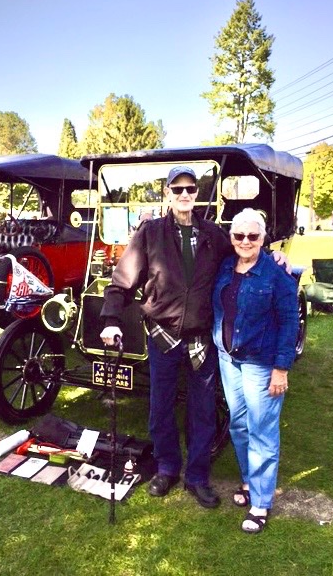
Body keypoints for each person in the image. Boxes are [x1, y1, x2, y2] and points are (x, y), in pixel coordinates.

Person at [99, 165, 290, 509]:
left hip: (202, 339)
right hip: (162, 335)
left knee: (202, 412)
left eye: (190, 188)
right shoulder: (150, 233)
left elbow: (246, 252)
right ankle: (167, 468)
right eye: (178, 189)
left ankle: (198, 477)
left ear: (197, 193)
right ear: (168, 194)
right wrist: (111, 319)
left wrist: (273, 256)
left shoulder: (214, 234)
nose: (184, 194)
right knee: (160, 408)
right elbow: (123, 279)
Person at [212, 208, 298, 533]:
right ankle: (249, 481)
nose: (245, 241)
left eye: (253, 235)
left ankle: (260, 503)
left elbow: (289, 322)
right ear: (231, 237)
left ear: (263, 238)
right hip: (228, 359)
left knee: (262, 430)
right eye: (239, 235)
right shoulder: (225, 266)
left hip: (261, 363)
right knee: (238, 424)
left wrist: (281, 369)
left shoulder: (277, 275)